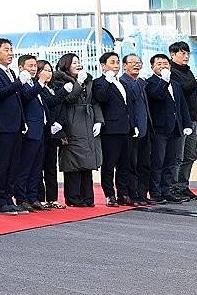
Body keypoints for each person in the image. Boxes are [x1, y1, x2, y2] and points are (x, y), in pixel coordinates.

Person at [50, 53, 102, 207]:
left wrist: (99, 120)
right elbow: (69, 99)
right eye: (74, 62)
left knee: (88, 160)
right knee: (73, 161)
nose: (77, 65)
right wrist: (78, 82)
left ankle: (88, 197)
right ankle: (74, 197)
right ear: (66, 65)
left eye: (78, 62)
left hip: (87, 120)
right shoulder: (59, 81)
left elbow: (95, 102)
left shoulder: (88, 80)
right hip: (71, 121)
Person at [0, 38, 29, 215]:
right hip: (3, 127)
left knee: (13, 164)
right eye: (6, 50)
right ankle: (0, 201)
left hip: (16, 125)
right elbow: (0, 94)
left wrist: (23, 121)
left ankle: (9, 198)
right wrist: (19, 82)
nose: (10, 53)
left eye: (11, 50)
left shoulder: (10, 72)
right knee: (2, 164)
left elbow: (17, 99)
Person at [146, 54, 192, 204]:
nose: (163, 66)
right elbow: (157, 96)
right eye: (159, 64)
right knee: (158, 162)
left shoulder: (175, 84)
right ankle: (155, 192)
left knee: (171, 162)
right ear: (152, 67)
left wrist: (186, 124)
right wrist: (164, 81)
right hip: (159, 129)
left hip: (175, 128)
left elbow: (182, 106)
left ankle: (168, 190)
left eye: (165, 63)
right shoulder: (150, 83)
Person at [168, 41, 197, 201]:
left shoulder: (187, 70)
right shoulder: (172, 72)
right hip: (181, 120)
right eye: (182, 53)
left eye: (188, 53)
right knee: (178, 156)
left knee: (190, 156)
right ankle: (172, 188)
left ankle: (183, 186)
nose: (186, 56)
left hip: (192, 118)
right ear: (173, 55)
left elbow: (193, 97)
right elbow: (183, 90)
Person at [93, 52, 132, 207]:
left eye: (117, 62)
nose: (116, 65)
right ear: (103, 66)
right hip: (110, 130)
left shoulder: (121, 83)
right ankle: (109, 194)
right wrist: (107, 81)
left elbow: (127, 106)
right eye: (112, 62)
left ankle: (123, 193)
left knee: (124, 164)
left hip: (125, 128)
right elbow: (101, 97)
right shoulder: (99, 82)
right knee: (109, 165)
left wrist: (133, 124)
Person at [15, 54, 48, 211]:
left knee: (36, 167)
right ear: (21, 67)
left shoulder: (34, 83)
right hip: (29, 130)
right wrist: (40, 83)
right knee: (25, 166)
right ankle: (21, 198)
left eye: (35, 66)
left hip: (40, 130)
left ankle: (33, 197)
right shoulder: (21, 83)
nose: (34, 69)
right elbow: (26, 97)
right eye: (30, 66)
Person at [120, 54, 153, 205]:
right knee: (131, 164)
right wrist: (140, 81)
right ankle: (132, 194)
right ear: (124, 65)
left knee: (144, 164)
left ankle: (142, 194)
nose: (136, 65)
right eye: (132, 62)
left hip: (145, 128)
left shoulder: (140, 82)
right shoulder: (123, 81)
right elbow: (132, 95)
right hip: (132, 130)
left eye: (138, 62)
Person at [34, 60, 65, 208]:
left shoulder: (52, 87)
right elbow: (51, 102)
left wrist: (59, 124)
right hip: (43, 130)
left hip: (54, 132)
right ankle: (40, 197)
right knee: (40, 166)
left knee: (51, 167)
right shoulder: (38, 88)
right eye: (44, 70)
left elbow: (61, 106)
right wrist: (64, 91)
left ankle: (52, 198)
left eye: (50, 70)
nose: (48, 73)